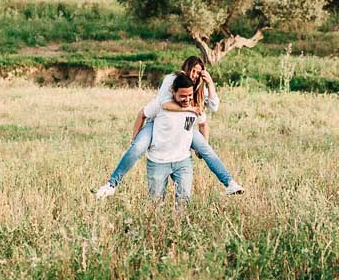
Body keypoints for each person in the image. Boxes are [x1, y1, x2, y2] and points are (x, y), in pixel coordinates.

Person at [94, 56, 246, 198]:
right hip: (158, 123)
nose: (194, 75)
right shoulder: (173, 79)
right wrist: (191, 108)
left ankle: (229, 183)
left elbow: (213, 107)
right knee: (137, 147)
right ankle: (111, 184)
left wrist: (210, 83)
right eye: (193, 71)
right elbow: (165, 105)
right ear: (185, 68)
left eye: (198, 73)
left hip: (184, 127)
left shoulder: (197, 87)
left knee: (207, 149)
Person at [140, 73, 207, 204]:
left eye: (189, 95)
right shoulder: (160, 105)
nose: (186, 99)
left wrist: (202, 145)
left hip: (183, 161)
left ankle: (180, 223)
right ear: (173, 92)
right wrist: (136, 140)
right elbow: (142, 114)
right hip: (158, 161)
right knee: (155, 202)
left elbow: (203, 123)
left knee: (184, 201)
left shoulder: (194, 107)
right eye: (182, 96)